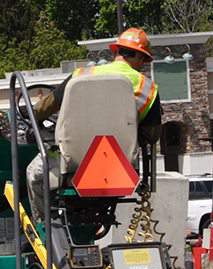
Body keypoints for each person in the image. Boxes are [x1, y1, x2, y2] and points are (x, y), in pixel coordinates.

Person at [26, 27, 163, 219]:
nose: (143, 66)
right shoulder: (147, 88)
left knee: (34, 174)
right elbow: (152, 135)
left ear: (116, 52)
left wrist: (27, 117)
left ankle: (45, 226)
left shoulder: (81, 74)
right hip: (119, 167)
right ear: (139, 57)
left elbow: (41, 110)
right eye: (144, 61)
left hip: (70, 163)